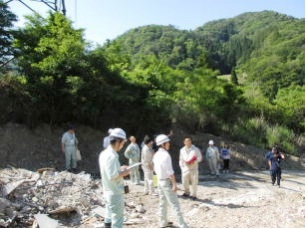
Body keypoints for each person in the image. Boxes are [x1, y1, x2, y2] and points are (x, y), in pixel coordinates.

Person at [153, 134, 188, 228]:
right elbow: (170, 172)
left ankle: (163, 222)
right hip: (166, 181)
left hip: (159, 180)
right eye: (167, 142)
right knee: (175, 203)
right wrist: (174, 185)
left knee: (162, 202)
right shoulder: (165, 155)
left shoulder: (156, 154)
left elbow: (155, 169)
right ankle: (182, 225)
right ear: (163, 144)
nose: (169, 144)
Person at [98, 128, 130, 228]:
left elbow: (109, 170)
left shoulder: (104, 153)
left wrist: (120, 169)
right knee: (117, 220)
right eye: (122, 143)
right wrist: (125, 172)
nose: (123, 145)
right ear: (117, 141)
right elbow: (112, 175)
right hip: (115, 192)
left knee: (109, 217)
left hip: (107, 190)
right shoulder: (112, 156)